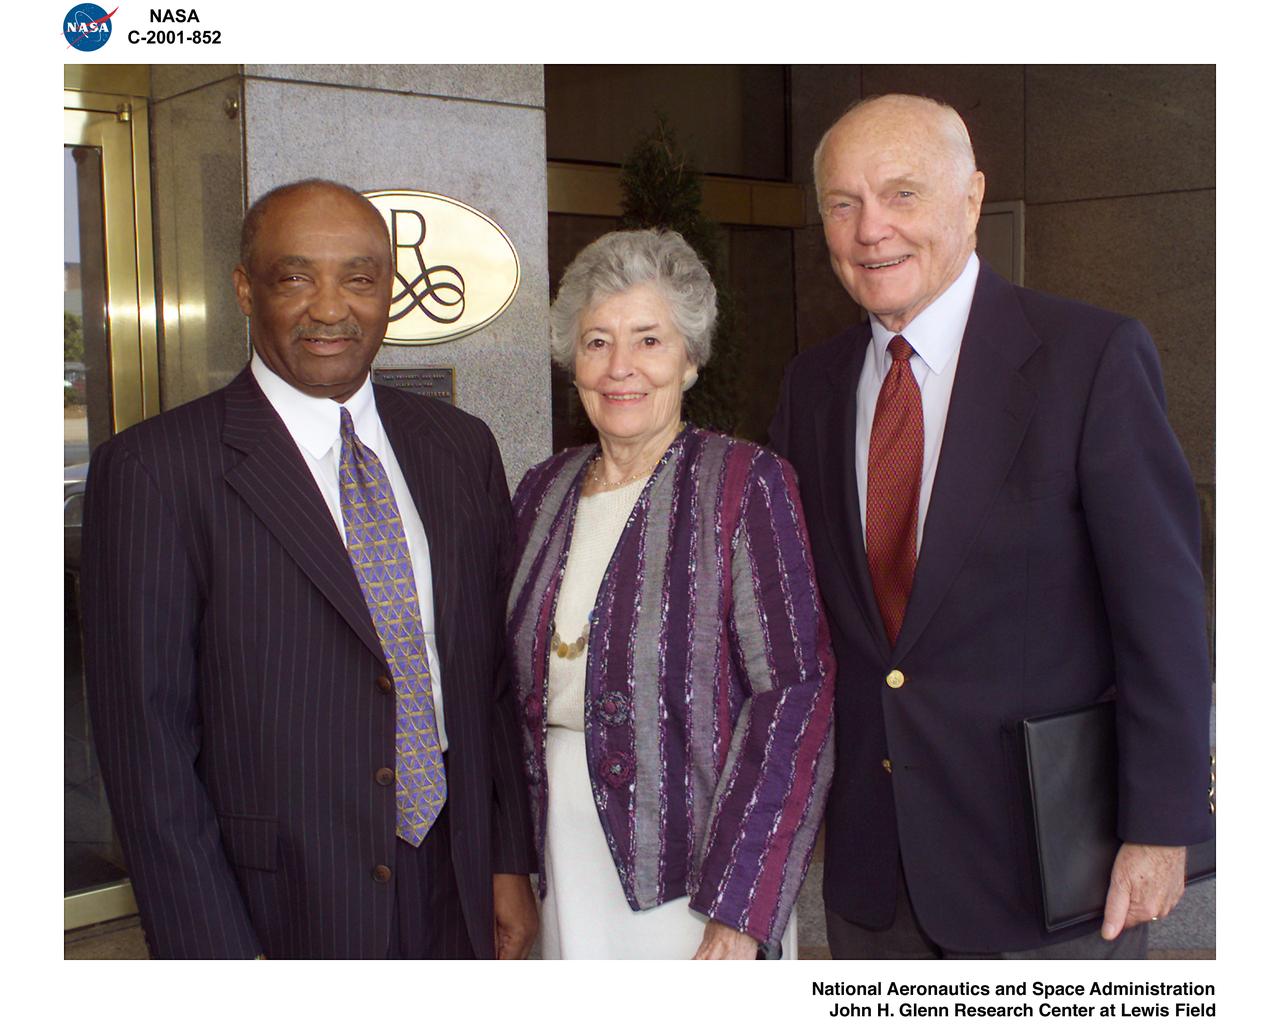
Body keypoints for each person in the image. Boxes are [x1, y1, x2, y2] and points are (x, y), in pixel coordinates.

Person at [770, 94, 1214, 959]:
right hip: (875, 875)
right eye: (843, 203)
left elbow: (1162, 619)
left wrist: (1163, 828)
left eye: (901, 194)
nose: (871, 231)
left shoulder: (1091, 360)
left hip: (1053, 872)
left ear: (971, 200)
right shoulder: (810, 388)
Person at [81, 178, 538, 959]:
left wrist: (505, 860)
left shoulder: (460, 448)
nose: (331, 308)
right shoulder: (155, 470)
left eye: (359, 278)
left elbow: (485, 679)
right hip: (280, 905)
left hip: (454, 885)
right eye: (296, 277)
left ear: (388, 291)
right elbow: (146, 749)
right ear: (245, 290)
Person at [507, 229, 835, 959]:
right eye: (596, 342)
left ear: (688, 359)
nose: (620, 368)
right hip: (560, 855)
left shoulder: (745, 484)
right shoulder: (540, 491)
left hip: (695, 875)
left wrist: (743, 908)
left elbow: (794, 700)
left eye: (649, 340)